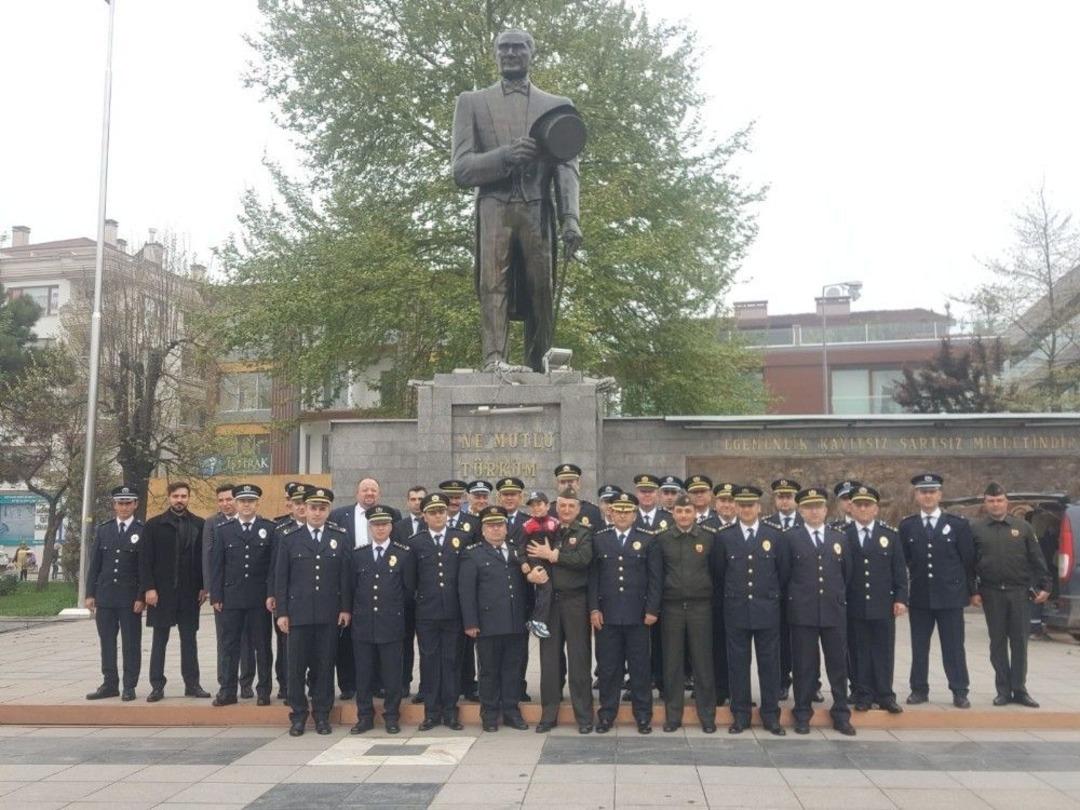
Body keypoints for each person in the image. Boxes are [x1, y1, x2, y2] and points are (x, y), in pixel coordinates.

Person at [451, 28, 583, 372]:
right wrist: (505, 156)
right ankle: (494, 360)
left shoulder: (557, 106)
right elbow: (461, 170)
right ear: (495, 54)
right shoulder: (472, 102)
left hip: (538, 208)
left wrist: (571, 218)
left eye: (518, 47)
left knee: (542, 291)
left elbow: (567, 166)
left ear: (531, 53)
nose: (510, 53)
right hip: (494, 206)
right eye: (503, 48)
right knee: (491, 285)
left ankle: (539, 364)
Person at [275, 486, 352, 736]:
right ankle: (298, 715)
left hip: (328, 614)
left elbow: (344, 578)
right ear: (304, 509)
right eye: (313, 508)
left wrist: (344, 608)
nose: (317, 513)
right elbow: (281, 579)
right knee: (296, 667)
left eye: (322, 508)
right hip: (298, 614)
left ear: (328, 510)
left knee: (324, 666)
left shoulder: (339, 536)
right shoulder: (289, 537)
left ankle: (321, 715)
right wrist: (282, 613)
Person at [459, 505, 541, 731]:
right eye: (491, 525)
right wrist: (471, 622)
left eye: (500, 525)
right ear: (483, 530)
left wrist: (530, 616)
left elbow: (527, 588)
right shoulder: (472, 553)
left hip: (515, 623)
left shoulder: (517, 551)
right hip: (488, 624)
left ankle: (512, 711)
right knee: (489, 671)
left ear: (506, 528)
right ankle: (490, 714)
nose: (496, 529)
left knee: (513, 670)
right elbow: (466, 592)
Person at [714, 485, 788, 735]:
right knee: (737, 664)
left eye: (750, 505)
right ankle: (741, 715)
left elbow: (783, 574)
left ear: (759, 507)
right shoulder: (724, 536)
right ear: (735, 507)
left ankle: (770, 715)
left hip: (767, 610)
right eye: (741, 505)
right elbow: (718, 574)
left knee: (769, 665)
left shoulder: (774, 535)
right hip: (736, 610)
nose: (746, 509)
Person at [971, 482, 1051, 708]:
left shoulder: (1023, 528)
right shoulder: (976, 529)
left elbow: (1037, 558)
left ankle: (1020, 689)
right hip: (991, 592)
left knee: (1019, 643)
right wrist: (973, 592)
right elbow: (969, 564)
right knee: (997, 643)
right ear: (985, 503)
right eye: (991, 501)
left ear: (1007, 502)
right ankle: (1003, 690)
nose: (995, 504)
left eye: (999, 500)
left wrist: (1045, 585)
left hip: (1019, 593)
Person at [900, 473, 976, 709]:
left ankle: (960, 690)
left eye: (932, 491)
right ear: (916, 495)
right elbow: (904, 561)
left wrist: (972, 592)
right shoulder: (907, 525)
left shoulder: (957, 524)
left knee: (953, 646)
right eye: (923, 492)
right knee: (919, 647)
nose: (928, 496)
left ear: (940, 495)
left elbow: (968, 562)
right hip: (921, 597)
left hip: (950, 597)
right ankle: (919, 689)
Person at [588, 491, 662, 734]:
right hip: (607, 616)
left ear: (634, 514)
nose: (622, 515)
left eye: (627, 511)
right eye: (618, 511)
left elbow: (655, 579)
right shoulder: (600, 539)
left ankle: (643, 716)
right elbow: (593, 578)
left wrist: (652, 609)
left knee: (640, 668)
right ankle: (607, 714)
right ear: (611, 512)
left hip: (638, 615)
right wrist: (594, 608)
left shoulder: (648, 539)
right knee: (609, 668)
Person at [786, 487, 855, 735]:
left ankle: (841, 713)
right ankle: (802, 713)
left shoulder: (840, 538)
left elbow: (847, 574)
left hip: (833, 610)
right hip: (802, 612)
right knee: (804, 666)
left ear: (826, 510)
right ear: (800, 510)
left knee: (838, 665)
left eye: (818, 507)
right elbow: (786, 575)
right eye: (808, 507)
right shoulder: (790, 538)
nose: (814, 511)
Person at [528, 489, 595, 733]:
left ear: (578, 509)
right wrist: (532, 570)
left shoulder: (585, 533)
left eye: (571, 506)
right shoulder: (546, 530)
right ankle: (549, 714)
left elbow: (583, 559)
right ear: (556, 508)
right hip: (549, 605)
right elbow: (530, 554)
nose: (566, 510)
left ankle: (584, 716)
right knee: (549, 661)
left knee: (579, 659)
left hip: (575, 602)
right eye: (562, 506)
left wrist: (554, 555)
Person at [329, 477, 399, 701]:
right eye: (365, 489)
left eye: (374, 490)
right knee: (347, 641)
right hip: (347, 580)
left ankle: (377, 684)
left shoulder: (392, 514)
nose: (369, 493)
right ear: (356, 493)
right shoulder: (340, 515)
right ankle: (348, 684)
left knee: (377, 640)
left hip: (378, 579)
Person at [348, 505, 416, 735]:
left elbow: (408, 591)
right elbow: (351, 589)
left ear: (391, 527)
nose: (380, 528)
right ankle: (364, 717)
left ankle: (391, 717)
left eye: (384, 524)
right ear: (370, 527)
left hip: (391, 624)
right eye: (376, 524)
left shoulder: (403, 554)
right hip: (364, 624)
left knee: (392, 674)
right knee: (364, 674)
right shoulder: (358, 555)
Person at [140, 481, 209, 702]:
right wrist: (149, 588)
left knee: (189, 640)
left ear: (189, 498)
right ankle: (157, 686)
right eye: (176, 496)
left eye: (184, 496)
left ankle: (192, 684)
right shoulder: (153, 525)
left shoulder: (199, 524)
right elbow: (145, 560)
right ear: (169, 498)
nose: (180, 500)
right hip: (161, 594)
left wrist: (202, 587)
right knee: (160, 640)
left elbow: (202, 561)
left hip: (189, 594)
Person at [408, 493, 470, 730]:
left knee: (452, 661)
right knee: (430, 661)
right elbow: (410, 581)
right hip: (427, 613)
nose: (438, 516)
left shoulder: (461, 538)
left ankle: (450, 712)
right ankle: (432, 712)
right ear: (424, 516)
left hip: (454, 613)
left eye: (441, 512)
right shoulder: (416, 543)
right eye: (432, 512)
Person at [656, 494, 718, 733]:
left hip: (700, 608)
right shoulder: (662, 540)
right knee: (672, 663)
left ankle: (707, 715)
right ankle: (673, 715)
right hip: (672, 608)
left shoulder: (709, 538)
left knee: (703, 663)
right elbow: (658, 575)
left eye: (688, 511)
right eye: (679, 511)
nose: (683, 516)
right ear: (673, 513)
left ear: (695, 513)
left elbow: (717, 573)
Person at [210, 484, 276, 707]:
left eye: (251, 501)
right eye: (242, 501)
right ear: (236, 504)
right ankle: (227, 690)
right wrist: (216, 595)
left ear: (257, 504)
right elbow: (217, 565)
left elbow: (273, 566)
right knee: (229, 645)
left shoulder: (269, 528)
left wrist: (272, 594)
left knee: (262, 646)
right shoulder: (223, 529)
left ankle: (264, 690)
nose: (246, 505)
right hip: (232, 597)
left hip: (259, 599)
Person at [843, 485, 907, 713]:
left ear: (875, 509)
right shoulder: (843, 535)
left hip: (883, 604)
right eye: (858, 504)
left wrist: (901, 598)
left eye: (867, 505)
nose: (863, 508)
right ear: (851, 508)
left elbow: (899, 570)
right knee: (859, 651)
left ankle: (885, 695)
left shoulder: (889, 535)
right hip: (854, 604)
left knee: (883, 650)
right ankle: (863, 694)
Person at [85, 485, 145, 702]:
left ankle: (129, 685)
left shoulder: (142, 530)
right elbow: (95, 565)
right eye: (120, 503)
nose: (124, 507)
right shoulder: (104, 529)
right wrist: (90, 593)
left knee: (131, 643)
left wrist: (141, 597)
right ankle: (110, 683)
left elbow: (144, 568)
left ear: (135, 504)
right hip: (106, 595)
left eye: (128, 503)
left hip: (130, 598)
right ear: (114, 505)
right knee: (107, 642)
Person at [205, 483, 256, 700]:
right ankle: (225, 681)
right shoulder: (212, 525)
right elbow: (209, 560)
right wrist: (213, 592)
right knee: (225, 640)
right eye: (222, 500)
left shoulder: (254, 524)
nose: (226, 504)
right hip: (225, 594)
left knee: (248, 641)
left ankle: (246, 682)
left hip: (250, 594)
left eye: (229, 499)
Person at [269, 482, 307, 700]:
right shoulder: (281, 531)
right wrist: (272, 594)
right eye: (297, 503)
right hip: (286, 598)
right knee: (285, 645)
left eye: (304, 503)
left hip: (309, 598)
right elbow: (273, 568)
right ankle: (285, 684)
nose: (301, 507)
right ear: (290, 505)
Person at [392, 485, 427, 704]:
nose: (416, 502)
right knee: (403, 642)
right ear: (407, 502)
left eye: (420, 499)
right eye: (413, 499)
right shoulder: (398, 527)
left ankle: (426, 687)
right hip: (404, 596)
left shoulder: (433, 523)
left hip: (426, 596)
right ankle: (404, 682)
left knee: (426, 644)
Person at [521, 491, 558, 638]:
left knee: (548, 590)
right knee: (546, 588)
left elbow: (559, 540)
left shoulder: (555, 523)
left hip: (551, 561)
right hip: (535, 561)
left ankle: (537, 619)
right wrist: (523, 562)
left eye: (539, 504)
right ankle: (537, 620)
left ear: (548, 505)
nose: (536, 508)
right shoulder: (527, 525)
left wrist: (555, 551)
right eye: (533, 505)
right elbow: (520, 547)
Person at [549, 464, 604, 528]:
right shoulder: (549, 511)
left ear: (578, 484)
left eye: (570, 482)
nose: (567, 486)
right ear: (557, 485)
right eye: (563, 482)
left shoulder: (592, 511)